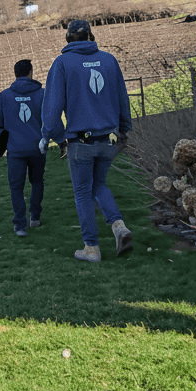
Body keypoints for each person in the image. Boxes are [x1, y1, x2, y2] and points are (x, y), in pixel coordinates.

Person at [40, 19, 133, 262]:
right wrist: (124, 131)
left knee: (83, 191)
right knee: (98, 184)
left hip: (80, 141)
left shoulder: (62, 64)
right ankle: (118, 226)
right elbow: (123, 99)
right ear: (91, 36)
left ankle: (91, 248)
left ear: (67, 39)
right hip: (109, 138)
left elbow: (50, 113)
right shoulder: (109, 60)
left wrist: (60, 139)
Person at [0, 59, 63, 236]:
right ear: (30, 73)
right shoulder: (43, 94)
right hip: (38, 149)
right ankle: (35, 217)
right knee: (37, 182)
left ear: (15, 74)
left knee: (16, 187)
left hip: (15, 151)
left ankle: (20, 226)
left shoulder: (5, 96)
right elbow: (52, 120)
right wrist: (61, 141)